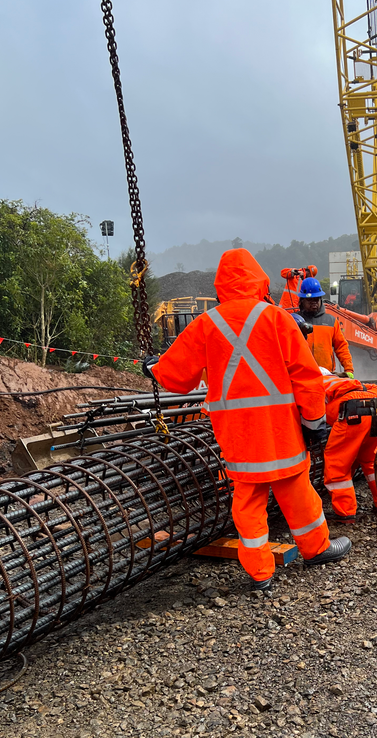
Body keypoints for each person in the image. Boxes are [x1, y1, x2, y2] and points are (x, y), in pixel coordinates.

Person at [145, 248, 351, 591]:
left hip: (238, 436)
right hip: (280, 431)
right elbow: (307, 378)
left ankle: (260, 574)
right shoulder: (277, 318)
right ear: (259, 280)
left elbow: (174, 377)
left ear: (220, 285)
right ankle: (316, 549)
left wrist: (150, 366)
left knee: (249, 499)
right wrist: (315, 423)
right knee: (298, 492)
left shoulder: (205, 324)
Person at [320, 369, 377, 520]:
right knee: (372, 461)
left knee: (336, 464)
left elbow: (308, 413)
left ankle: (345, 512)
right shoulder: (341, 383)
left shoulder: (311, 384)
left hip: (355, 413)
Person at [295, 278, 355, 377]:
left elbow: (341, 347)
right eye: (310, 300)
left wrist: (349, 369)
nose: (314, 302)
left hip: (327, 375)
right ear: (302, 301)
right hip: (301, 375)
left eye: (316, 299)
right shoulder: (294, 321)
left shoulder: (331, 321)